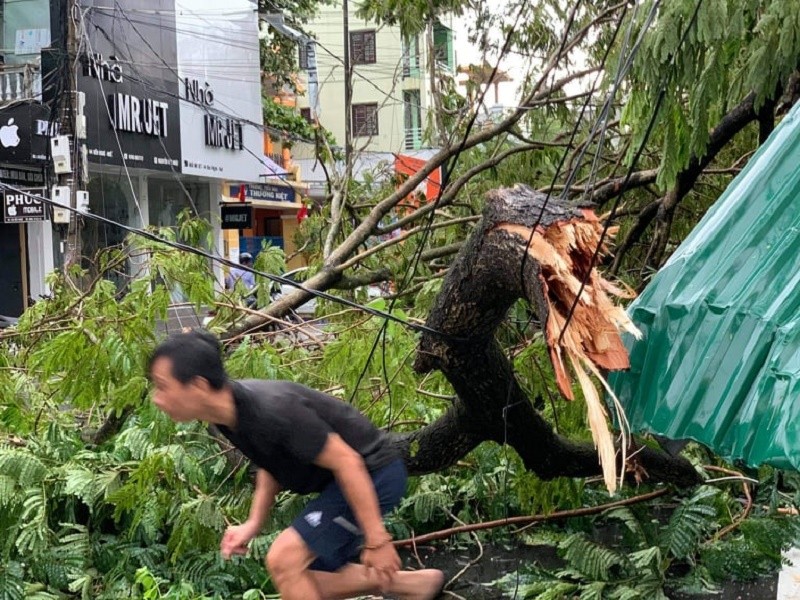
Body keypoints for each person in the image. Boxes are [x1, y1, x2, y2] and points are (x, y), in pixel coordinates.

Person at [148, 329, 444, 600]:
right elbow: (270, 463)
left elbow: (348, 461)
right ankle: (416, 585)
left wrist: (377, 541)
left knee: (284, 559)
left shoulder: (273, 410)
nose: (157, 399)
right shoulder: (226, 416)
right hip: (341, 482)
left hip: (372, 474)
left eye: (163, 386)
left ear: (198, 386)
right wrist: (253, 523)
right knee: (300, 577)